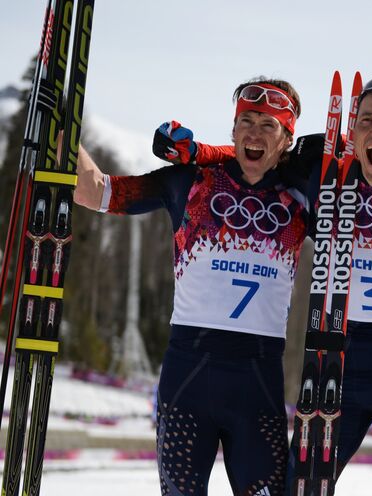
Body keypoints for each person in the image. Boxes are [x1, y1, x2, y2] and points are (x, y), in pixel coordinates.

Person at [152, 76, 372, 496]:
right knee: (302, 489)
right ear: (352, 130)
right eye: (366, 120)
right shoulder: (322, 173)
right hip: (338, 356)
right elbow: (258, 153)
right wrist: (199, 152)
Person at [75, 77, 309, 496]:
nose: (254, 133)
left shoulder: (301, 194)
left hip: (258, 385)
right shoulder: (190, 181)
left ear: (286, 138)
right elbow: (96, 192)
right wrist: (62, 128)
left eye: (269, 125)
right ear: (233, 130)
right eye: (246, 121)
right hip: (188, 381)